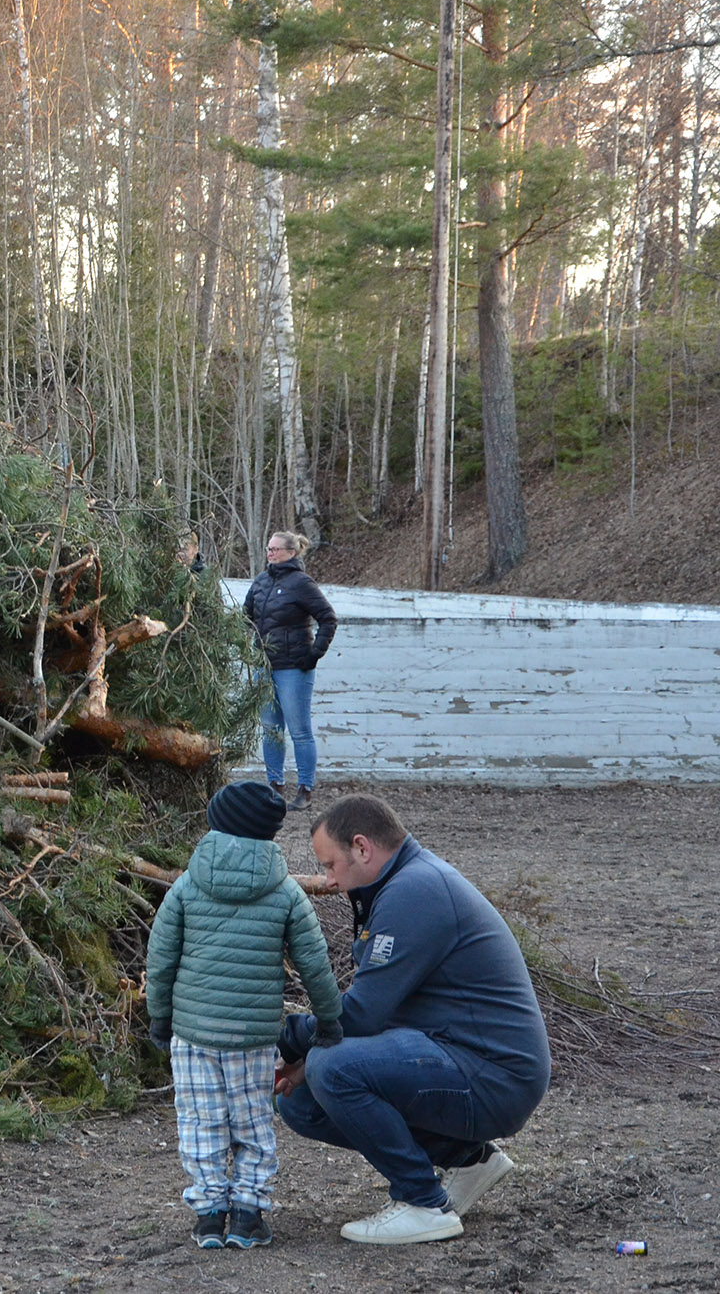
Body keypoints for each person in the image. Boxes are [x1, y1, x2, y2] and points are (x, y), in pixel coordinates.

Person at [274, 794, 551, 1245]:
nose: (327, 880)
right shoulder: (402, 884)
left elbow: (360, 1016)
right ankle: (467, 1159)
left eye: (329, 865)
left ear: (362, 848)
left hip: (496, 1077)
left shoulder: (415, 891)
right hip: (465, 1059)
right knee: (299, 1101)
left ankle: (422, 1203)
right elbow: (375, 1013)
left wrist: (291, 1037)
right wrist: (309, 1054)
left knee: (330, 1067)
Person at [147, 781, 344, 1250]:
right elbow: (314, 961)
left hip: (193, 1034)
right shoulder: (286, 892)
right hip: (254, 1038)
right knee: (253, 1123)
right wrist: (329, 1019)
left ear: (217, 824)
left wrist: (160, 1016)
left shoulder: (188, 884)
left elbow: (161, 956)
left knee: (201, 1121)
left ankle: (209, 1216)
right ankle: (248, 1216)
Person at [242, 531, 336, 807]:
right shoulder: (260, 582)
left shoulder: (302, 583)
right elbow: (245, 618)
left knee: (299, 731)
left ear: (291, 553)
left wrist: (313, 655)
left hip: (294, 669)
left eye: (275, 549)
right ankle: (275, 787)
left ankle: (305, 789)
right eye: (268, 549)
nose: (270, 553)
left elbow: (328, 619)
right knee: (270, 729)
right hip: (264, 667)